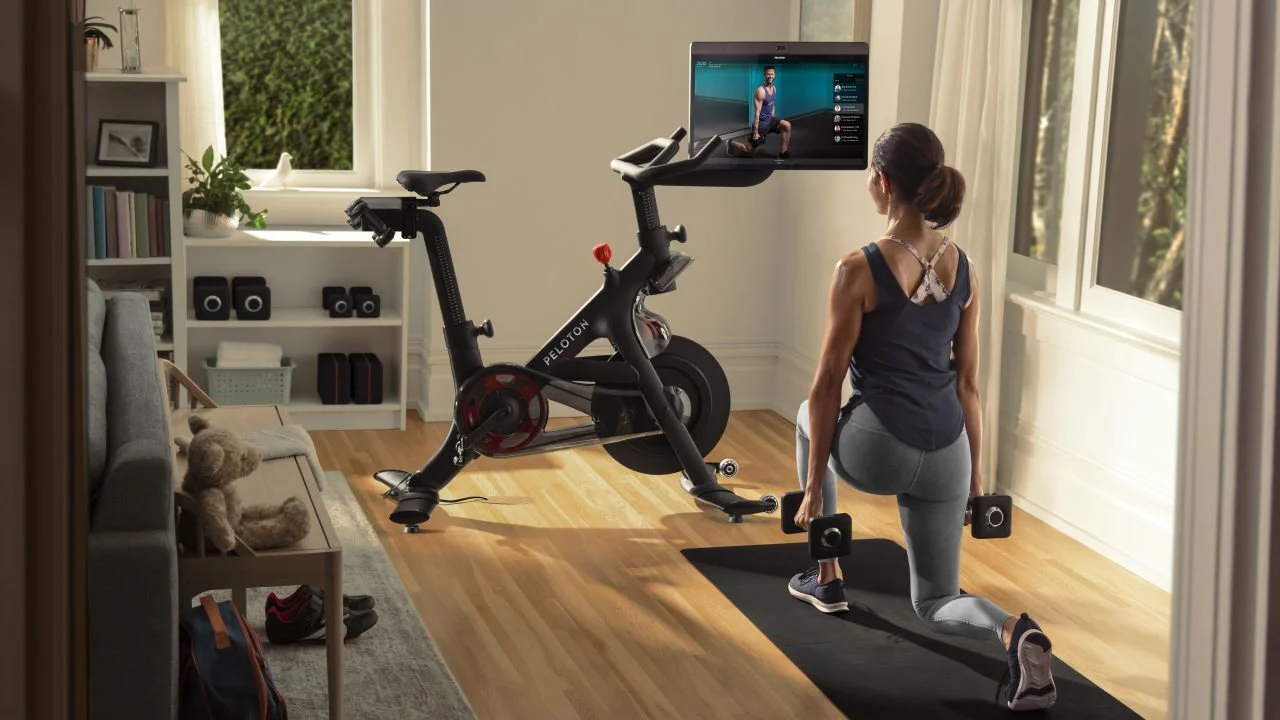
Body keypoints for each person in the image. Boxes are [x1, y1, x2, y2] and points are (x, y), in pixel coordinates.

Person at [785, 122, 1057, 712]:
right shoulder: (965, 268)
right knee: (936, 600)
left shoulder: (856, 268)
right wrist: (976, 478)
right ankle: (1014, 632)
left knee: (807, 413)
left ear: (883, 182)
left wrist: (810, 489)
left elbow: (829, 382)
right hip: (948, 451)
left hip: (879, 446)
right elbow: (969, 383)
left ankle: (827, 574)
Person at [729, 66, 792, 158]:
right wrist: (755, 132)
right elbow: (757, 113)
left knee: (787, 125)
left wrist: (772, 116)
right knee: (751, 152)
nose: (770, 76)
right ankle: (731, 143)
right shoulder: (760, 91)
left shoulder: (774, 88)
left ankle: (783, 152)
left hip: (769, 120)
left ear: (774, 75)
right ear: (764, 75)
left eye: (772, 74)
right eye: (768, 74)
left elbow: (772, 103)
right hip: (761, 125)